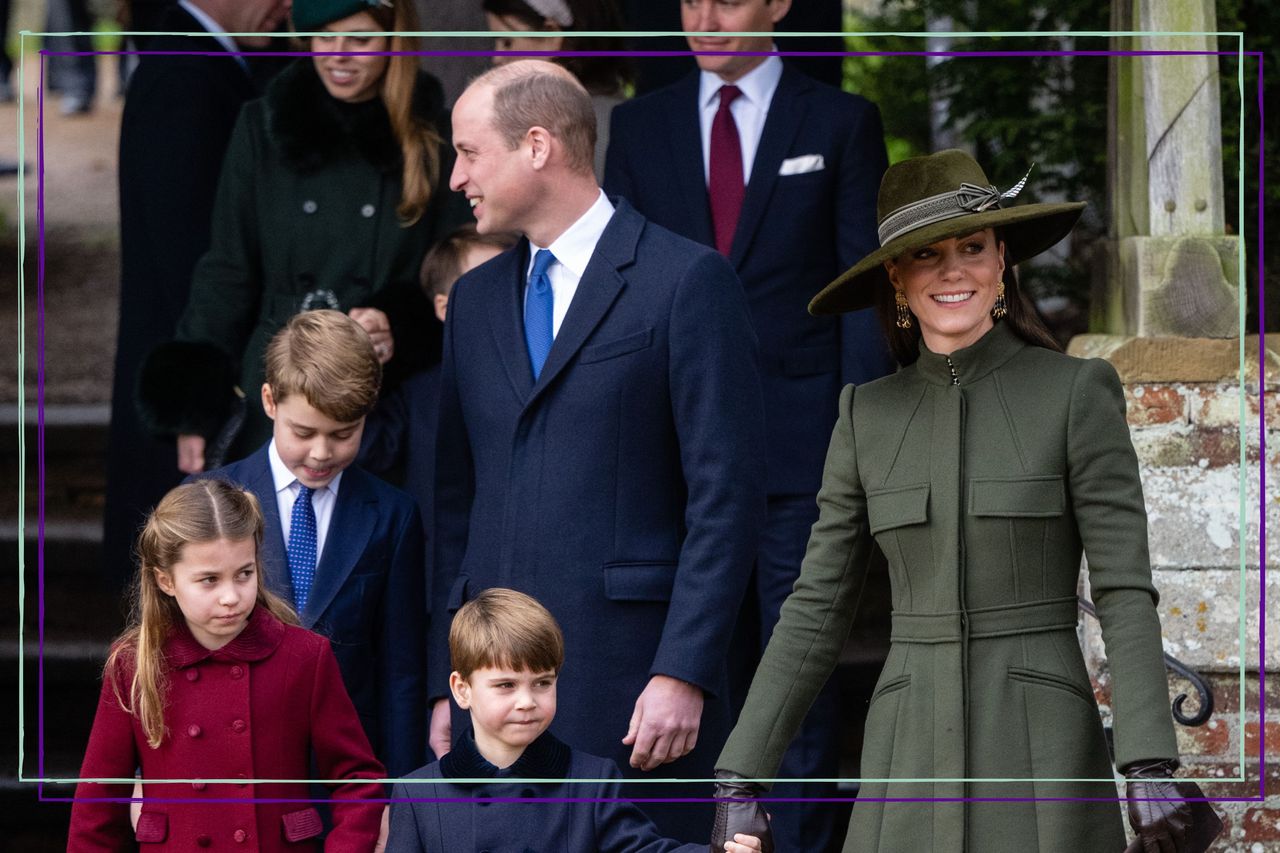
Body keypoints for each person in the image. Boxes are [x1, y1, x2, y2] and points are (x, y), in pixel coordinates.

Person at [709, 149, 1212, 853]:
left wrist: (1147, 760)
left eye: (972, 247)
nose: (953, 271)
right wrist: (742, 773)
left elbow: (1125, 589)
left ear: (1001, 258)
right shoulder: (865, 415)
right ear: (896, 276)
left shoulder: (1074, 393)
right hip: (907, 753)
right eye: (926, 255)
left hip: (1044, 747)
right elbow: (815, 607)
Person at [432, 60, 766, 841]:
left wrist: (682, 669)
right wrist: (444, 684)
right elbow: (452, 500)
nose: (455, 176)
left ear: (538, 146)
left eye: (470, 152)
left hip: (635, 694)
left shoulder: (686, 281)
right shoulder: (476, 302)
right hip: (491, 699)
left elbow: (726, 497)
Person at [604, 1, 892, 847]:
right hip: (674, 457)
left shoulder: (841, 121)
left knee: (794, 679)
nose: (705, 15)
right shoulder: (639, 125)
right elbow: (623, 289)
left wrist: (859, 439)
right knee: (686, 674)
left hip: (801, 458)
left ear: (776, 4)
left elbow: (861, 294)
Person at [138, 0, 468, 472]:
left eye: (360, 39)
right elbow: (228, 269)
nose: (338, 54)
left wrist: (397, 322)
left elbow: (455, 268)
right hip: (274, 386)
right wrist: (194, 408)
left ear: (396, 40)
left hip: (383, 398)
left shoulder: (434, 135)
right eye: (323, 36)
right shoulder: (262, 126)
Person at [67, 479, 386, 850]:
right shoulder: (133, 664)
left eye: (244, 574)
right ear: (166, 580)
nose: (231, 596)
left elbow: (357, 778)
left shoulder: (303, 656)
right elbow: (98, 804)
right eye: (209, 580)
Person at [103, 0, 292, 593]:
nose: (287, 4)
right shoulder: (184, 76)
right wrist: (200, 402)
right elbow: (195, 260)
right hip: (192, 380)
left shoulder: (208, 61)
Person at [195, 310, 427, 776]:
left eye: (344, 434)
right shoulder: (204, 499)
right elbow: (160, 647)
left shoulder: (393, 515)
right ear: (269, 401)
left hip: (343, 776)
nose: (322, 453)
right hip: (225, 767)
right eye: (303, 433)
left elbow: (401, 672)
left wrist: (400, 797)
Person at [387, 588, 762, 853]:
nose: (526, 701)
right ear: (461, 689)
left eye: (542, 683)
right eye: (505, 685)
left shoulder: (592, 781)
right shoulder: (418, 793)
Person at [358, 223, 516, 544]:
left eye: (515, 282)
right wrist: (358, 359)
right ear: (444, 307)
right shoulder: (419, 394)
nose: (506, 296)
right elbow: (368, 448)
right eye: (487, 282)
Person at [481, 0, 631, 180]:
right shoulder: (613, 118)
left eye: (507, 42)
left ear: (551, 36)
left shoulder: (596, 127)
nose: (497, 58)